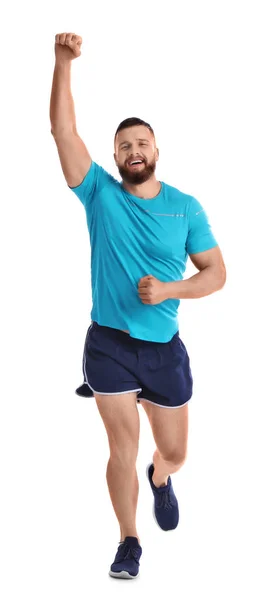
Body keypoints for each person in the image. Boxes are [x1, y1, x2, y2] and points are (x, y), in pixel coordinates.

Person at [50, 32, 226, 580]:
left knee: (174, 452)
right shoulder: (98, 193)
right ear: (115, 157)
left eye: (141, 143)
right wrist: (61, 63)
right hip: (109, 346)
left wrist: (171, 290)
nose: (133, 151)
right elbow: (62, 131)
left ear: (156, 150)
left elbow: (218, 274)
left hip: (163, 349)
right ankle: (129, 541)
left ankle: (162, 477)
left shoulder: (186, 207)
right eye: (123, 145)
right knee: (119, 447)